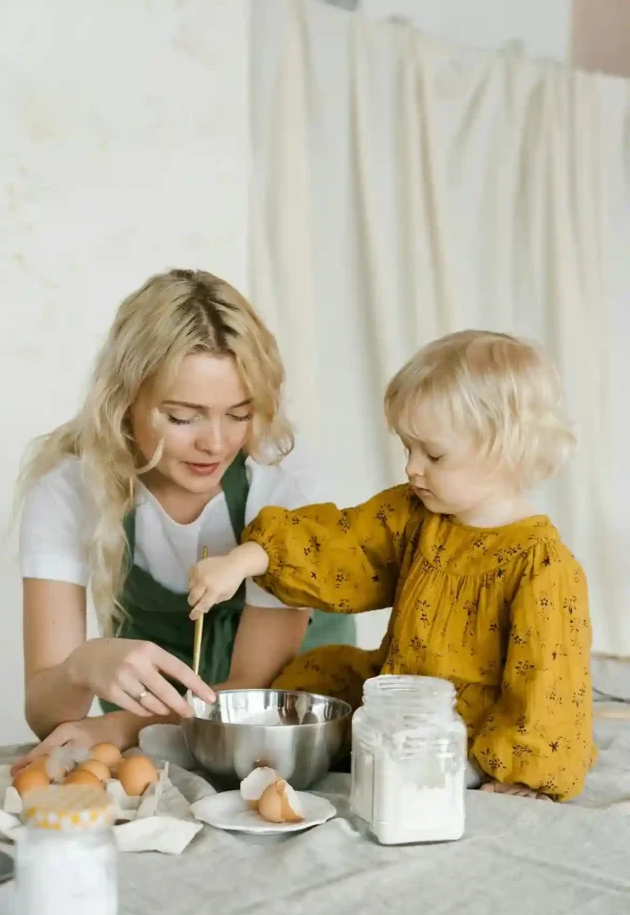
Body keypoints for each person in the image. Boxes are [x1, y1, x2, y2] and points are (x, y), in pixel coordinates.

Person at [188, 331, 595, 801]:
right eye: (408, 449)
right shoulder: (414, 514)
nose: (412, 468)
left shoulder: (542, 566)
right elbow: (345, 543)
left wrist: (524, 775)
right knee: (313, 677)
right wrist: (244, 559)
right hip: (397, 691)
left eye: (433, 454)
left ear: (505, 448)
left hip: (467, 725)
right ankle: (263, 750)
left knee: (446, 747)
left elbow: (547, 685)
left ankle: (460, 767)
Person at [12, 268, 355, 773]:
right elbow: (46, 711)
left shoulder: (285, 479)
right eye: (182, 417)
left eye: (238, 414)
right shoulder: (70, 487)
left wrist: (123, 726)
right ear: (125, 401)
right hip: (161, 745)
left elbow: (252, 693)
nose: (215, 443)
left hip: (292, 734)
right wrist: (84, 665)